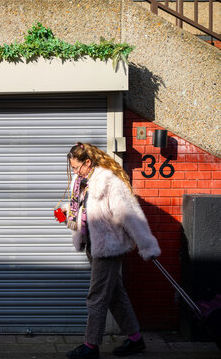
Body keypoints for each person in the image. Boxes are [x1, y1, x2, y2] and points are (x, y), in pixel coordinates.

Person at [61, 142, 161, 359]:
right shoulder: (81, 183)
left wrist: (147, 245)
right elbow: (79, 209)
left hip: (109, 247)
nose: (75, 172)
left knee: (96, 296)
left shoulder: (108, 182)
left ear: (88, 162)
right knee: (115, 294)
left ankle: (91, 346)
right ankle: (135, 340)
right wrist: (65, 213)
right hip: (91, 245)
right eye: (73, 168)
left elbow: (130, 214)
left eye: (77, 167)